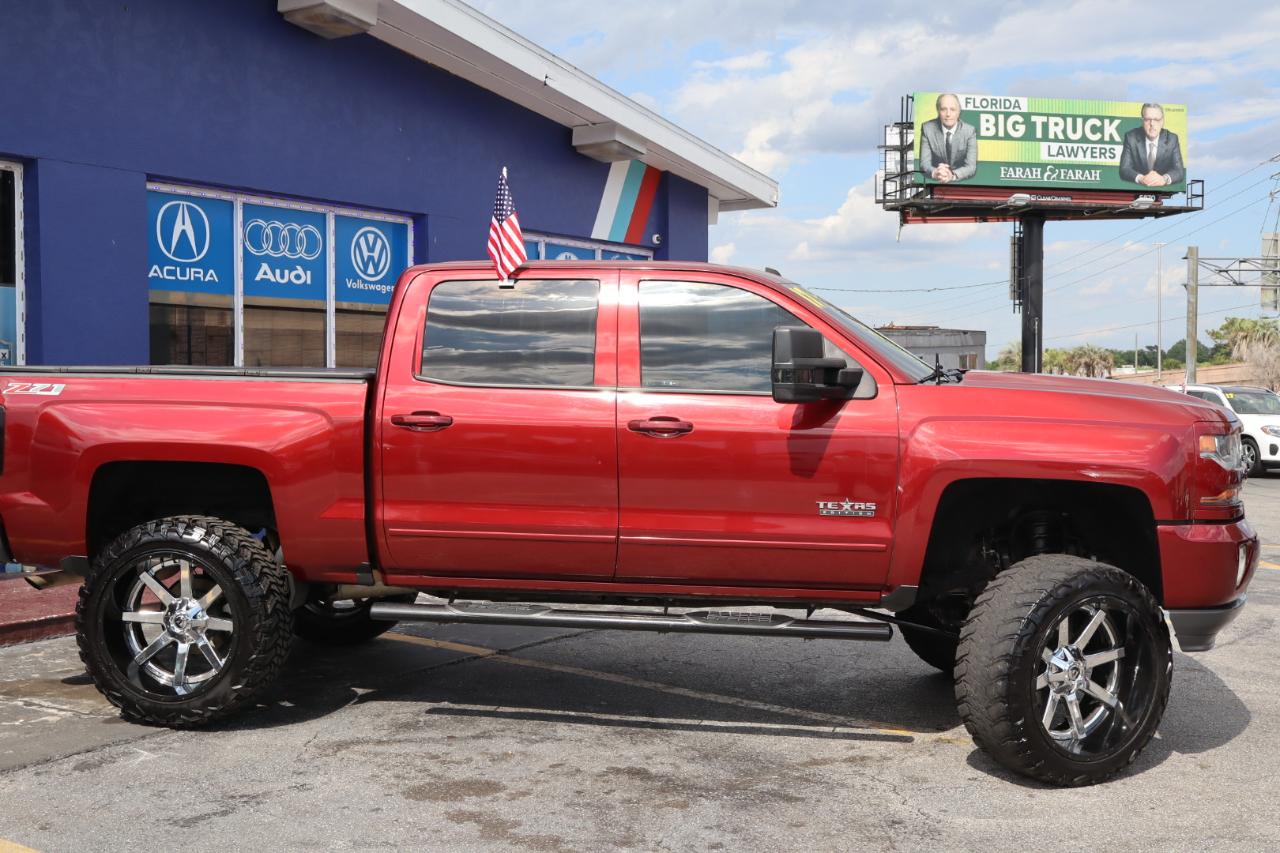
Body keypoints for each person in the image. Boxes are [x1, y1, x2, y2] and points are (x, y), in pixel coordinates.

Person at [1119, 103, 1184, 187]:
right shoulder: (1131, 137)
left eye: (1156, 119)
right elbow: (1124, 169)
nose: (1152, 124)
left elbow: (1179, 171)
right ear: (1142, 121)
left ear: (1162, 121)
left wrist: (1164, 179)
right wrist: (1141, 178)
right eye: (1147, 119)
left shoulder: (1172, 139)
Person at [919, 93, 977, 183]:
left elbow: (971, 167)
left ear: (959, 112)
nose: (948, 114)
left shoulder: (969, 131)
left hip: (958, 182)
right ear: (938, 111)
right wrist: (935, 172)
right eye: (943, 109)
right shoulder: (927, 128)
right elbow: (924, 164)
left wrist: (952, 175)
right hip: (937, 176)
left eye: (953, 109)